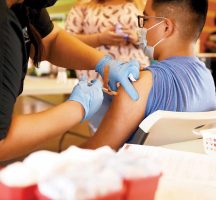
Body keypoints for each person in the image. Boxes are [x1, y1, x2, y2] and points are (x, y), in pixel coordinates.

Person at [0, 0, 141, 161]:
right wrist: (76, 108)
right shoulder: (4, 26)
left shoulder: (25, 5)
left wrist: (103, 63)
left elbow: (51, 40)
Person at [80, 0, 216, 150]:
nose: (141, 28)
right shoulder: (208, 79)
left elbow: (95, 151)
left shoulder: (140, 85)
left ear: (166, 27)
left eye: (145, 19)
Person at [65, 0, 149, 132]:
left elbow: (155, 39)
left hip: (134, 81)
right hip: (96, 82)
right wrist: (99, 39)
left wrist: (136, 37)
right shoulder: (83, 7)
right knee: (102, 132)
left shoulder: (140, 5)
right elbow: (66, 41)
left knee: (136, 133)